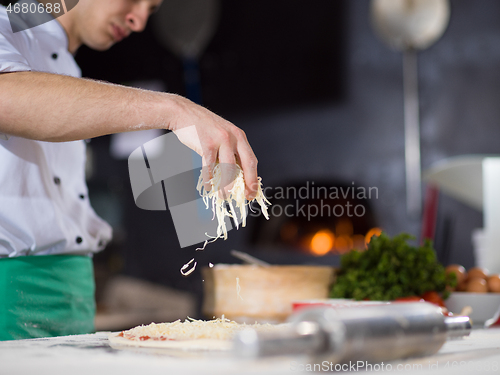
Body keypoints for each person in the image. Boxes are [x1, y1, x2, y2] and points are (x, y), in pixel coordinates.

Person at [0, 0, 259, 340]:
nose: (138, 22)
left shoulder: (66, 64)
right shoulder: (9, 24)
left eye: (150, 10)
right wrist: (174, 108)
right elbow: (8, 95)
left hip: (72, 292)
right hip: (12, 288)